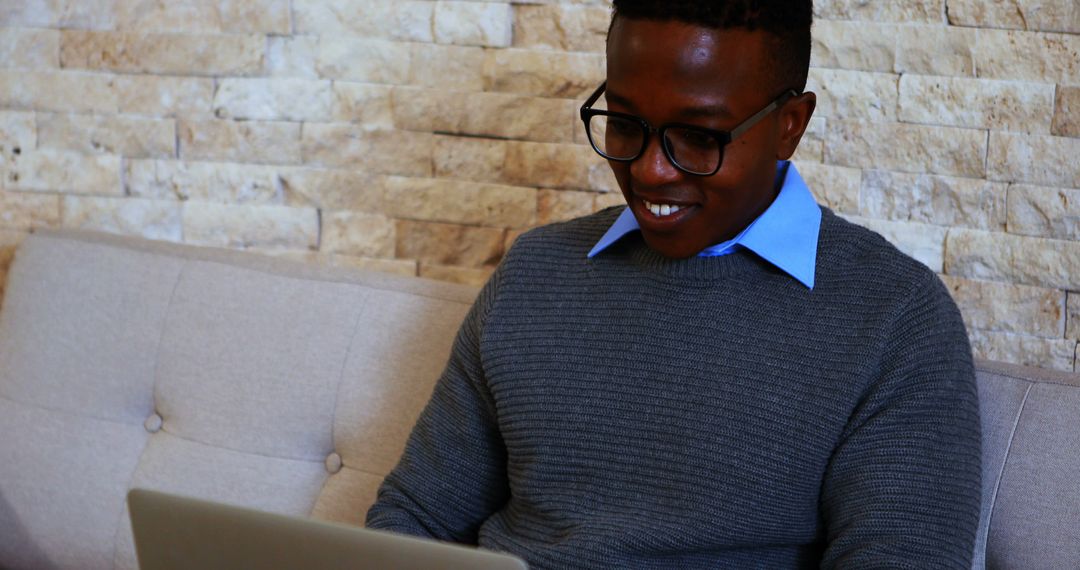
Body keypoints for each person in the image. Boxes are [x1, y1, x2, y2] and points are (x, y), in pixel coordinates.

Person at [366, 1, 982, 568]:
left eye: (699, 137)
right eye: (626, 124)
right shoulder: (535, 273)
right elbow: (415, 517)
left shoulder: (893, 319)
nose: (649, 170)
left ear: (790, 124)